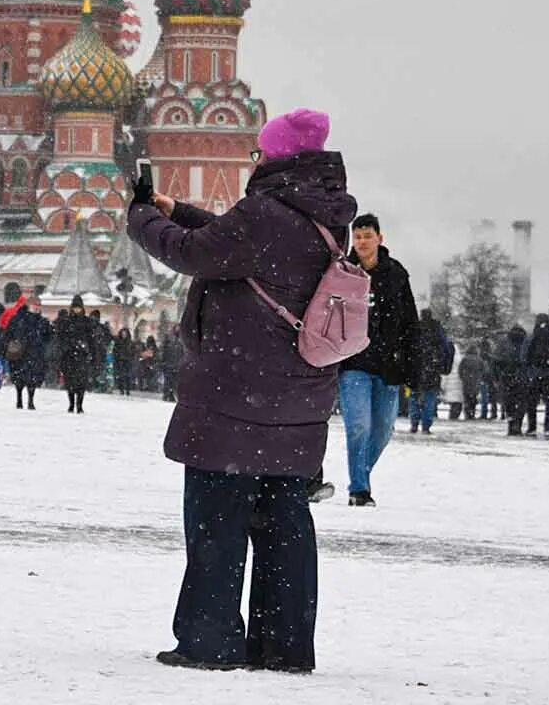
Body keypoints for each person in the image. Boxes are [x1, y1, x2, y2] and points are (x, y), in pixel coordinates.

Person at [126, 107, 355, 674]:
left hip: (235, 401)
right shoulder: (324, 215)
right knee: (284, 528)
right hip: (297, 401)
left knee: (216, 524)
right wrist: (178, 210)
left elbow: (194, 253)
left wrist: (142, 220)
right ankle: (284, 646)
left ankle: (210, 640)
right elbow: (238, 243)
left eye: (259, 152)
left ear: (276, 158)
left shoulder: (262, 216)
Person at [336, 212, 420, 506]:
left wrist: (412, 365)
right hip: (352, 363)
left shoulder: (396, 274)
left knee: (383, 430)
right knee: (359, 425)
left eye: (367, 236)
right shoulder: (342, 273)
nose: (362, 241)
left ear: (380, 238)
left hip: (389, 365)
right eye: (357, 236)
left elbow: (411, 323)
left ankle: (361, 474)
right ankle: (359, 489)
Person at [53, 296, 98, 414]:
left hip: (82, 355)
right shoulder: (66, 321)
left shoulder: (87, 322)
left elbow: (91, 339)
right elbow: (61, 338)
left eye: (78, 308)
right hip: (69, 356)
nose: (77, 310)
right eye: (75, 308)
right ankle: (71, 404)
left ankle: (80, 405)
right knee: (70, 382)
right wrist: (65, 349)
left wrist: (92, 354)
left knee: (81, 382)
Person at [408, 309, 450, 434]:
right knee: (430, 398)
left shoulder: (415, 329)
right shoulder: (438, 330)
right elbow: (447, 348)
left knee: (414, 397)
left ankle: (414, 423)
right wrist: (443, 366)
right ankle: (426, 426)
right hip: (433, 369)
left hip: (416, 368)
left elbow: (408, 347)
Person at [8, 296, 49, 410]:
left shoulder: (42, 320)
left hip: (35, 353)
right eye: (34, 304)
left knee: (33, 378)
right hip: (21, 353)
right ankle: (19, 398)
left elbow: (46, 337)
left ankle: (31, 400)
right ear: (28, 305)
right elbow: (9, 334)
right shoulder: (19, 318)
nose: (36, 307)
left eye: (38, 305)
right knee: (19, 377)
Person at [500, 325, 534, 435]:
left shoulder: (504, 343)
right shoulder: (526, 342)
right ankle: (518, 422)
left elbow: (496, 361)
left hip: (507, 376)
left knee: (509, 401)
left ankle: (511, 422)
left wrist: (497, 375)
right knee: (522, 401)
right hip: (522, 376)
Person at [454, 339, 482, 420]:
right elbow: (484, 370)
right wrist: (479, 377)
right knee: (473, 398)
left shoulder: (465, 359)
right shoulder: (479, 360)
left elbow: (460, 369)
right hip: (475, 382)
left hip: (466, 382)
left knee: (467, 398)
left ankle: (467, 412)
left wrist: (462, 377)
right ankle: (472, 412)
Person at [114, 327, 138, 396]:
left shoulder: (130, 342)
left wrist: (132, 358)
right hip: (120, 360)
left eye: (125, 334)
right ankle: (121, 390)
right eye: (123, 333)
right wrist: (117, 357)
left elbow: (133, 351)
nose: (124, 335)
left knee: (128, 376)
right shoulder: (118, 342)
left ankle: (127, 390)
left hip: (128, 360)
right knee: (121, 376)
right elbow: (115, 351)